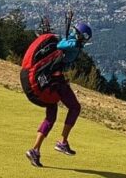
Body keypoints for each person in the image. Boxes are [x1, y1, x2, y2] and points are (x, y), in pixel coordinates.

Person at [25, 15, 92, 168]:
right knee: (75, 107)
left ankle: (35, 150)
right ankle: (62, 142)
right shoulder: (74, 44)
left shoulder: (73, 42)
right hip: (56, 83)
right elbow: (61, 46)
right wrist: (71, 41)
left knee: (51, 117)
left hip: (49, 82)